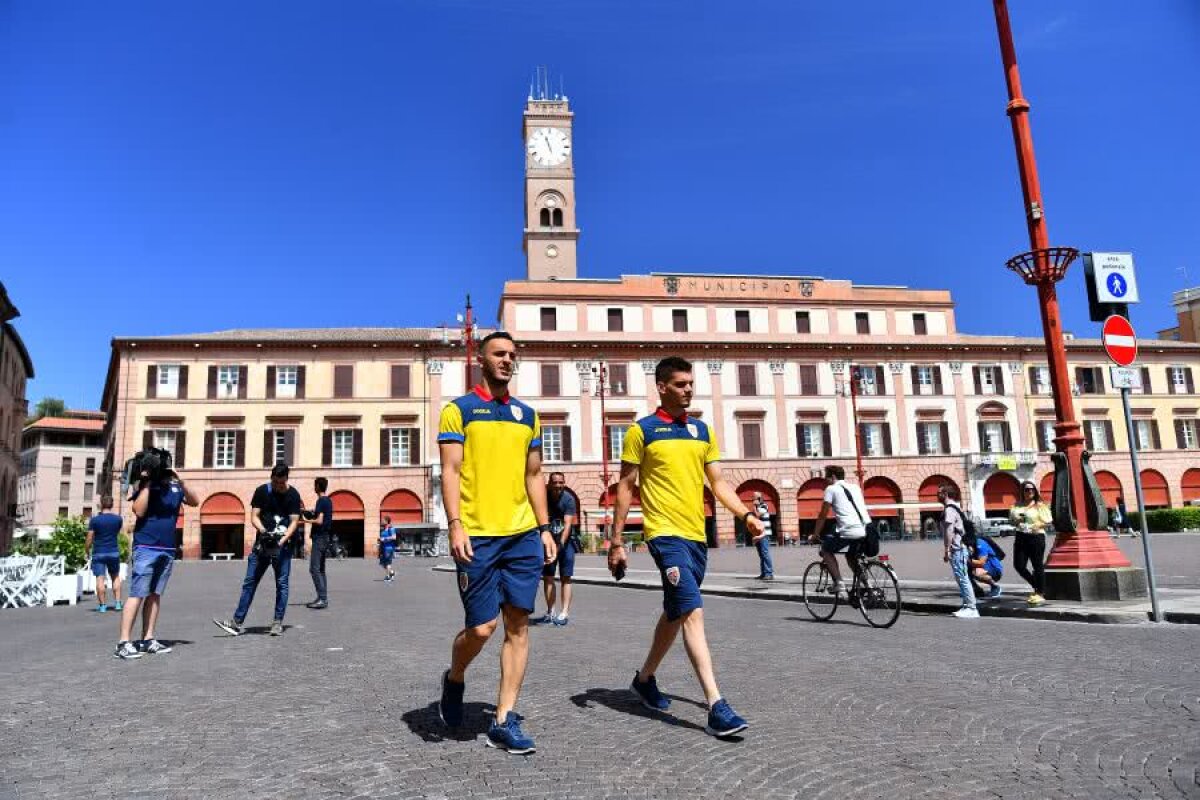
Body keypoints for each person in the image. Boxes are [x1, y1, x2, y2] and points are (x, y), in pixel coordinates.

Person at [609, 356, 762, 739]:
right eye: (680, 384)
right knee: (692, 610)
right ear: (661, 387)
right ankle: (716, 706)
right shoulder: (642, 431)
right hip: (664, 535)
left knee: (676, 611)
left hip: (696, 537)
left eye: (691, 383)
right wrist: (616, 541)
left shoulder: (702, 431)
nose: (688, 389)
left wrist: (745, 514)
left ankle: (644, 680)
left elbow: (719, 482)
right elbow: (626, 487)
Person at [436, 331, 555, 755]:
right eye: (499, 354)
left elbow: (534, 475)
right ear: (481, 361)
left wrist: (544, 528)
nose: (507, 360)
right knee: (481, 628)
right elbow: (450, 471)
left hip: (521, 534)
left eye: (512, 355)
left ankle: (504, 719)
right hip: (477, 534)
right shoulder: (459, 411)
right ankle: (454, 677)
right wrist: (455, 524)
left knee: (518, 626)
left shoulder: (528, 415)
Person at [114, 468, 198, 659]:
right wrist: (149, 483)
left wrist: (181, 480)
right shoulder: (146, 487)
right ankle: (123, 642)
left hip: (167, 548)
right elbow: (139, 510)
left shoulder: (176, 488)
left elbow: (195, 501)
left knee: (154, 594)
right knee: (137, 594)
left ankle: (148, 639)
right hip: (146, 547)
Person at [212, 463, 302, 637]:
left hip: (283, 547)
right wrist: (263, 531)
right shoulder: (262, 491)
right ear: (271, 478)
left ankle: (277, 623)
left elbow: (294, 522)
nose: (278, 486)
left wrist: (281, 541)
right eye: (275, 482)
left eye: (281, 483)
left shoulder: (293, 495)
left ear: (286, 479)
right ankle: (237, 623)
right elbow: (254, 516)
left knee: (282, 584)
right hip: (262, 545)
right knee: (250, 582)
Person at [808, 465, 869, 597]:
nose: (825, 480)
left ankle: (839, 583)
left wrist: (815, 534)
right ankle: (868, 586)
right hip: (866, 529)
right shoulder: (855, 487)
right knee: (850, 555)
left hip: (849, 530)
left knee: (825, 549)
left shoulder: (831, 489)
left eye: (826, 476)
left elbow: (823, 514)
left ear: (833, 476)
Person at [537, 472, 579, 626]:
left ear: (564, 483)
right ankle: (550, 612)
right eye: (555, 482)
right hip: (548, 543)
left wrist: (560, 544)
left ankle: (564, 612)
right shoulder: (543, 498)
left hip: (566, 544)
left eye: (561, 482)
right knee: (548, 577)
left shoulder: (569, 499)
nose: (558, 485)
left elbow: (567, 525)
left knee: (566, 577)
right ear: (549, 484)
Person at [938, 484, 979, 619]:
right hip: (960, 548)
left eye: (939, 493)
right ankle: (967, 605)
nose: (937, 496)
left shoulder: (949, 509)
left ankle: (971, 608)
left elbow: (949, 531)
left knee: (962, 577)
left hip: (957, 549)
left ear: (945, 494)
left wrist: (946, 549)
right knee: (961, 577)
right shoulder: (956, 507)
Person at [1008, 480, 1051, 606]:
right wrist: (1017, 521)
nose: (1030, 491)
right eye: (1027, 489)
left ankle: (1040, 593)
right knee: (1019, 565)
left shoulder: (1040, 505)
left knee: (1037, 565)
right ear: (1022, 491)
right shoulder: (1016, 506)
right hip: (1021, 536)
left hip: (1036, 536)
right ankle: (1036, 585)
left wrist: (1038, 525)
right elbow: (1011, 521)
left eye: (1032, 489)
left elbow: (1048, 521)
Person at [299, 476, 333, 609]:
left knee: (314, 569)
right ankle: (322, 597)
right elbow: (321, 516)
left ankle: (322, 599)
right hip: (325, 537)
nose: (314, 487)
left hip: (319, 538)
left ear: (318, 486)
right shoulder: (328, 500)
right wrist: (311, 512)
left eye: (315, 485)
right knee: (321, 570)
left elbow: (319, 521)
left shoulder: (321, 501)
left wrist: (304, 521)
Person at [86, 495, 125, 613]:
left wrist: (87, 550)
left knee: (100, 579)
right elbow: (117, 532)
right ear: (112, 505)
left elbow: (89, 537)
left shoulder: (95, 520)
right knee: (115, 577)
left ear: (101, 504)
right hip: (113, 551)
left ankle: (102, 606)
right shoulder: (118, 519)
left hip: (99, 552)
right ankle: (117, 603)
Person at [966, 529, 1003, 600]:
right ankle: (977, 590)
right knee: (963, 571)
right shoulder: (969, 544)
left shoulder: (980, 543)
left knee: (975, 572)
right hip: (983, 567)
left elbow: (981, 562)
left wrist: (967, 560)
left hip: (994, 569)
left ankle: (995, 587)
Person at [751, 491, 774, 581]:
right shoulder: (757, 507)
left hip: (765, 534)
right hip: (758, 534)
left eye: (754, 498)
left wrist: (754, 506)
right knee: (761, 554)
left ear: (759, 499)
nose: (753, 499)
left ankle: (769, 573)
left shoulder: (764, 506)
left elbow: (757, 515)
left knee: (765, 553)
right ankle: (763, 573)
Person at [379, 516, 398, 583]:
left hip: (389, 548)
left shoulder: (391, 529)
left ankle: (388, 576)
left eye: (383, 520)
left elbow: (394, 537)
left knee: (387, 563)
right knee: (382, 563)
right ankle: (392, 573)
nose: (381, 521)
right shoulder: (383, 529)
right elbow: (382, 538)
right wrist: (380, 541)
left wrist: (385, 539)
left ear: (387, 521)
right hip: (383, 548)